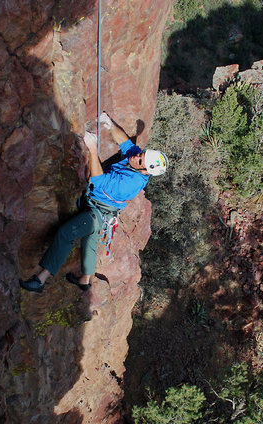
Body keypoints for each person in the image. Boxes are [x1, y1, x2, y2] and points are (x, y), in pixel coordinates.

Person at [19, 112, 169, 293]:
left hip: (98, 213)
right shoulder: (137, 160)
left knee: (67, 233)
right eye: (141, 154)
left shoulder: (131, 183)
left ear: (146, 170)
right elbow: (126, 143)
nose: (136, 156)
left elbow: (98, 181)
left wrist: (91, 147)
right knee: (89, 239)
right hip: (100, 210)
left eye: (140, 159)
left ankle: (40, 280)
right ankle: (84, 280)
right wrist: (110, 124)